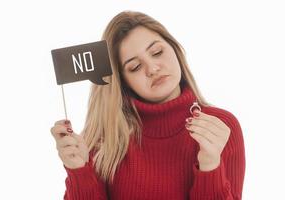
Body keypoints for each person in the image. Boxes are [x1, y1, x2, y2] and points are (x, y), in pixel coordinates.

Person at [50, 10, 245, 200]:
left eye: (157, 52)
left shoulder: (220, 126)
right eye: (135, 67)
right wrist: (79, 171)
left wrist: (210, 164)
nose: (152, 69)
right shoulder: (103, 139)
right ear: (123, 81)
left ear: (175, 49)